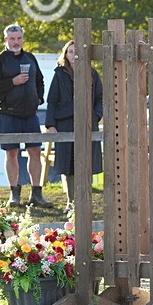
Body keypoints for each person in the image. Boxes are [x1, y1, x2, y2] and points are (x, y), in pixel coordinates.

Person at [0, 23, 49, 207]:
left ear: (22, 38)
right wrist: (12, 82)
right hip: (8, 114)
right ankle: (14, 194)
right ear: (6, 40)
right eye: (12, 39)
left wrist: (39, 99)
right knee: (11, 153)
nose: (16, 42)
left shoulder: (30, 58)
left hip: (30, 115)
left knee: (35, 152)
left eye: (19, 38)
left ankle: (36, 194)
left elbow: (40, 80)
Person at [43, 41, 104, 203]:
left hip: (88, 123)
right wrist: (51, 125)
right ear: (65, 54)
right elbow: (52, 101)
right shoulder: (60, 74)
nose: (73, 55)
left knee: (87, 161)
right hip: (65, 123)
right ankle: (71, 202)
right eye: (70, 52)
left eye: (76, 51)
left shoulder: (92, 73)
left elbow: (100, 98)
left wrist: (95, 115)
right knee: (68, 164)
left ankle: (85, 201)